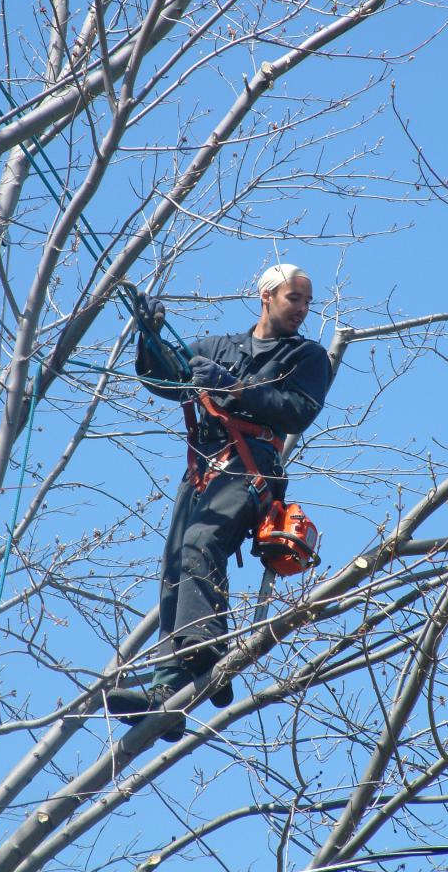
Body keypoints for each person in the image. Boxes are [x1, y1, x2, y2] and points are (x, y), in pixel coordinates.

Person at [106, 263, 331, 739]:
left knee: (200, 543)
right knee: (174, 568)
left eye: (308, 301)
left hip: (252, 467)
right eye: (296, 298)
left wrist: (232, 386)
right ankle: (169, 694)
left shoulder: (306, 356)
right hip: (205, 469)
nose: (303, 309)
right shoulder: (217, 348)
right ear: (267, 296)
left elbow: (297, 411)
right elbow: (167, 378)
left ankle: (204, 645)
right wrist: (148, 336)